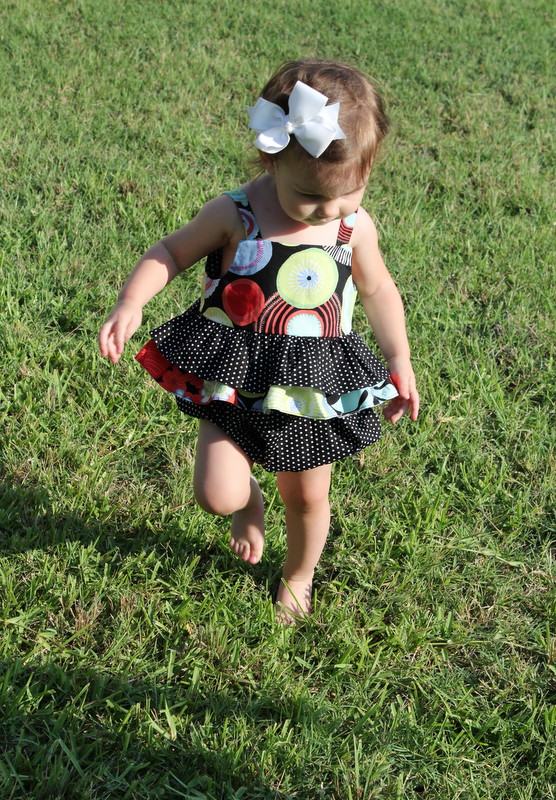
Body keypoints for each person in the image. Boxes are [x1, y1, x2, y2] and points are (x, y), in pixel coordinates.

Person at [99, 59, 419, 623]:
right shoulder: (236, 212)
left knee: (307, 497)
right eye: (310, 196)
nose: (329, 210)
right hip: (235, 377)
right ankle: (248, 501)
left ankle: (298, 575)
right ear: (272, 159)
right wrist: (131, 301)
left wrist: (399, 357)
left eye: (350, 192)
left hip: (313, 387)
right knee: (215, 495)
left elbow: (378, 291)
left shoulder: (355, 227)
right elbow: (171, 251)